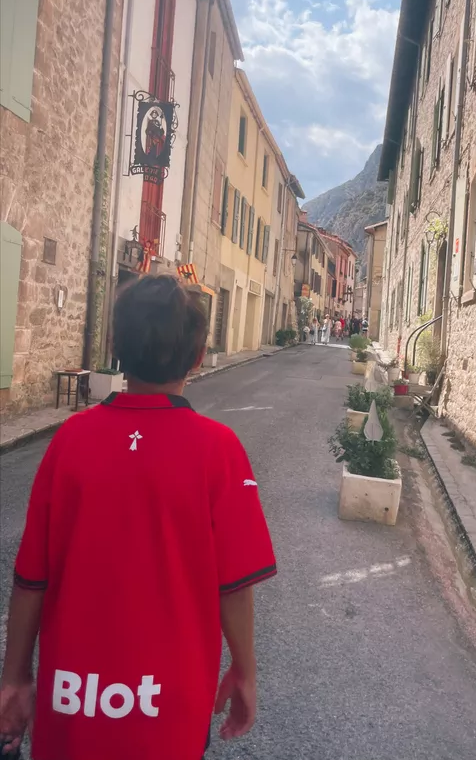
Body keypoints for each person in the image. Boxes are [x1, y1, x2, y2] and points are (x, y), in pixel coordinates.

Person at [0, 276, 276, 760]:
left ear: (116, 349)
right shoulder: (219, 451)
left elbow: (30, 579)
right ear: (198, 355)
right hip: (171, 704)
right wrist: (245, 671)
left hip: (74, 696)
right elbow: (234, 584)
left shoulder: (70, 441)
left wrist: (15, 676)